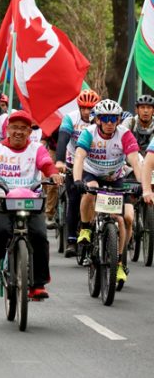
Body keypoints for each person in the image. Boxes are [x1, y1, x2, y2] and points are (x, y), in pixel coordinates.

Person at [0, 110, 63, 299]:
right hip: (3, 200)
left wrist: (53, 173)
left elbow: (47, 164)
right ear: (7, 129)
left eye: (23, 128)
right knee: (0, 232)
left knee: (40, 236)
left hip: (31, 201)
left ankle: (38, 284)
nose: (18, 132)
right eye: (14, 127)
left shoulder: (37, 149)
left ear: (30, 132)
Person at [73, 99, 141, 285]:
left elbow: (135, 161)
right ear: (98, 120)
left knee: (125, 218)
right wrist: (78, 180)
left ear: (118, 120)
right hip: (91, 172)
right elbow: (79, 157)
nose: (110, 123)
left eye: (114, 118)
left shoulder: (124, 134)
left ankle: (119, 263)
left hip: (116, 178)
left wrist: (142, 184)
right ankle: (86, 228)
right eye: (106, 118)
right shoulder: (89, 133)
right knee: (90, 189)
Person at [55, 89, 100, 257]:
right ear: (79, 107)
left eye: (91, 108)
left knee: (96, 196)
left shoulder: (101, 119)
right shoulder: (70, 118)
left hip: (94, 164)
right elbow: (63, 139)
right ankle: (72, 240)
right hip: (73, 161)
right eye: (84, 108)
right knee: (74, 199)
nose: (87, 112)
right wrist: (59, 160)